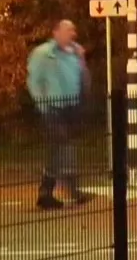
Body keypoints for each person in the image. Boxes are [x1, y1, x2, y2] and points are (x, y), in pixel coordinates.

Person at [26, 19, 92, 210]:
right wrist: (43, 105)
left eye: (73, 30)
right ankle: (72, 188)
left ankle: (46, 192)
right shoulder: (44, 54)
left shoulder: (75, 53)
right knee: (64, 144)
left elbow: (84, 80)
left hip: (71, 108)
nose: (72, 34)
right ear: (56, 32)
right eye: (68, 30)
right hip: (53, 108)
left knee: (57, 149)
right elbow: (34, 81)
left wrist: (82, 61)